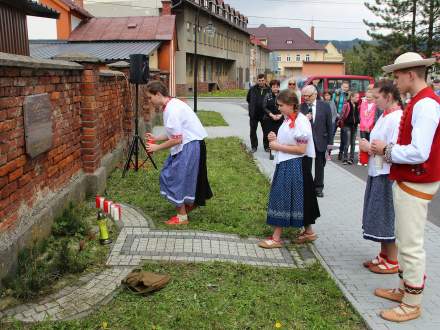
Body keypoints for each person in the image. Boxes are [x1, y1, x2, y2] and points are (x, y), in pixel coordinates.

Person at [370, 52, 440, 322]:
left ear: (411, 74)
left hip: (416, 181)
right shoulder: (421, 102)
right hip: (411, 180)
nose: (394, 81)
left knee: (410, 245)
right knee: (404, 239)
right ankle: (404, 289)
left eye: (397, 75)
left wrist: (387, 150)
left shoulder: (425, 105)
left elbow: (419, 151)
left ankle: (412, 302)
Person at [258, 89, 320, 248]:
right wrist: (275, 138)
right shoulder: (288, 119)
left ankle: (276, 238)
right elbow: (289, 141)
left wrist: (277, 145)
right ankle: (308, 231)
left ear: (291, 105)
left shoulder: (300, 121)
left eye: (281, 105)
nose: (278, 108)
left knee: (282, 198)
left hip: (294, 164)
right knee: (300, 198)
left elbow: (301, 149)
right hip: (288, 162)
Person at [145, 81, 213, 225]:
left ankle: (182, 217)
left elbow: (177, 139)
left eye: (150, 97)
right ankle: (189, 205)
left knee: (174, 178)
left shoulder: (171, 110)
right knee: (179, 177)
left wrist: (157, 148)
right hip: (192, 144)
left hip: (189, 146)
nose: (149, 101)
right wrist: (157, 138)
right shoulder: (172, 103)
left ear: (158, 94)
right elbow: (175, 132)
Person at [359, 80, 403, 275]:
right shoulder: (385, 116)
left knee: (386, 214)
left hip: (387, 172)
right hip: (377, 170)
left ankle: (393, 259)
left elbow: (394, 148)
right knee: (377, 213)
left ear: (389, 96)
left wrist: (370, 147)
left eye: (377, 97)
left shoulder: (397, 117)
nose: (374, 101)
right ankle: (384, 254)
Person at [300, 85, 333, 197]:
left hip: (321, 140)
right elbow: (297, 125)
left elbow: (330, 125)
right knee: (306, 165)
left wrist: (330, 143)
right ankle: (307, 187)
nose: (305, 98)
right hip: (306, 142)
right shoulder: (301, 107)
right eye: (304, 96)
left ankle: (318, 187)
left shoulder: (325, 106)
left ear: (315, 94)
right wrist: (304, 118)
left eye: (308, 96)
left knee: (320, 165)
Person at [246, 73, 270, 152]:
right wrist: (251, 110)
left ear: (265, 80)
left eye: (262, 80)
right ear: (257, 81)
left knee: (266, 131)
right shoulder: (252, 89)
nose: (261, 82)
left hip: (265, 115)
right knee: (253, 131)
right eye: (259, 81)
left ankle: (266, 146)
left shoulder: (269, 90)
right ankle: (254, 146)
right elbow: (248, 99)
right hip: (254, 114)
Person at [263, 79, 283, 160]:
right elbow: (264, 107)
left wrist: (281, 115)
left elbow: (285, 105)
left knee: (279, 135)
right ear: (271, 87)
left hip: (280, 118)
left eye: (277, 87)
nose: (275, 88)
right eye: (273, 87)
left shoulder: (282, 95)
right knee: (271, 135)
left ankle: (279, 151)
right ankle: (272, 152)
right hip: (269, 119)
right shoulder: (268, 95)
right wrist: (271, 115)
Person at [338, 92, 360, 165]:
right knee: (347, 143)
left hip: (355, 126)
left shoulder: (357, 105)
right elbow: (342, 114)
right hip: (347, 125)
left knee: (353, 143)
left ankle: (351, 158)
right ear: (352, 97)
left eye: (358, 97)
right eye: (356, 97)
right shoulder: (346, 105)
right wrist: (341, 122)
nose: (358, 98)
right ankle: (345, 158)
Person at [332, 81, 350, 159]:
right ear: (341, 86)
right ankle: (328, 153)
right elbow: (332, 104)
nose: (345, 89)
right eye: (344, 87)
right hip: (336, 116)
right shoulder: (336, 93)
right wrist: (336, 114)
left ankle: (340, 153)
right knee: (331, 135)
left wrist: (343, 115)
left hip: (344, 118)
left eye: (347, 87)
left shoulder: (349, 95)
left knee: (343, 137)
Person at [358, 90, 377, 166]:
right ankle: (363, 160)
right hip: (363, 127)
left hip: (370, 127)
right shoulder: (363, 104)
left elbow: (373, 117)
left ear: (373, 97)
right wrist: (365, 125)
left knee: (369, 144)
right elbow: (361, 115)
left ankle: (369, 160)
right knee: (363, 144)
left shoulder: (375, 105)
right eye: (367, 97)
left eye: (370, 97)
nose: (368, 99)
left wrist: (368, 126)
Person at [323, 90, 338, 160]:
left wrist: (332, 121)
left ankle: (329, 153)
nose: (327, 97)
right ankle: (324, 152)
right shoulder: (322, 103)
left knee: (330, 138)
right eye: (326, 95)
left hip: (331, 123)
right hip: (323, 123)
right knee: (324, 137)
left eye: (328, 95)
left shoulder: (332, 103)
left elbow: (335, 113)